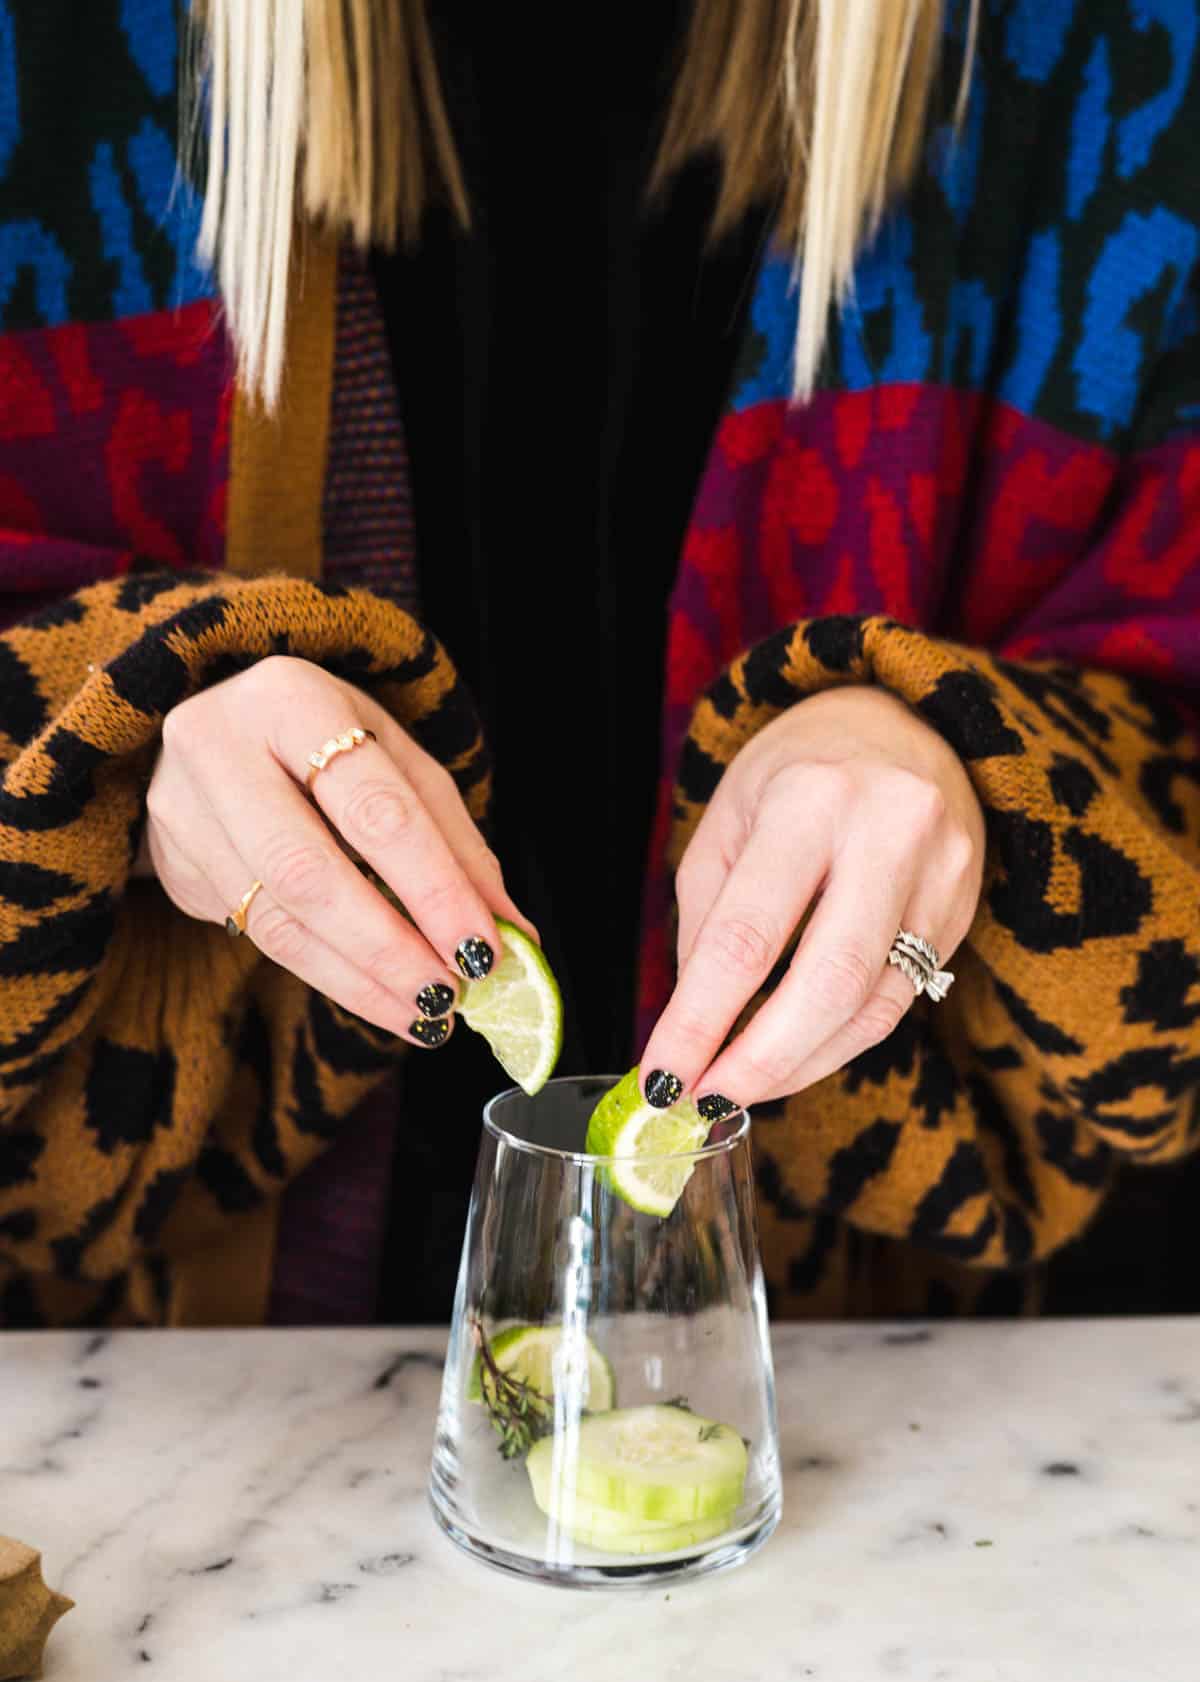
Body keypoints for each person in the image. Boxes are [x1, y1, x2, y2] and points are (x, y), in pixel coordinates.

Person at [0, 0, 1197, 1328]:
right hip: (170, 1418)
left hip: (890, 1425)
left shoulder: (1103, 47)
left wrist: (970, 766)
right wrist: (112, 740)